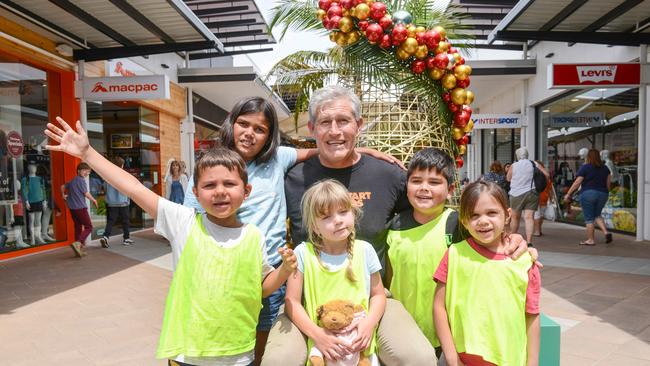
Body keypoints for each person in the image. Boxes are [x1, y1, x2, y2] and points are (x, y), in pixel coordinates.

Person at [265, 86, 531, 366]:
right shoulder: (291, 177)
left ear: (359, 125)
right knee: (277, 360)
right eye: (324, 122)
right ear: (312, 128)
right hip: (310, 301)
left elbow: (433, 213)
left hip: (374, 297)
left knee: (418, 357)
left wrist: (506, 239)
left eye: (343, 121)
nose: (334, 131)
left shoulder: (388, 175)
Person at [45, 118, 298, 365]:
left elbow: (262, 287)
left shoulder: (253, 236)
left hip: (238, 353)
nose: (220, 191)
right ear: (196, 193)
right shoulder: (184, 223)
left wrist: (285, 270)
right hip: (187, 353)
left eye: (229, 183)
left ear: (246, 191)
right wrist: (88, 153)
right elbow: (133, 187)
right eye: (210, 185)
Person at [182, 97, 397, 364]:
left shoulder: (277, 159)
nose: (249, 133)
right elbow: (193, 222)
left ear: (270, 136)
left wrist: (364, 152)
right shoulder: (208, 169)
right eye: (243, 124)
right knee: (225, 338)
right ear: (231, 123)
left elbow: (323, 149)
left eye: (260, 129)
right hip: (227, 270)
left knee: (262, 345)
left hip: (272, 271)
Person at [385, 148, 536, 357]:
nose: (424, 188)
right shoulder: (394, 225)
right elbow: (390, 276)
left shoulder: (458, 224)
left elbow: (494, 246)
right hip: (404, 334)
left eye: (434, 182)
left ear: (450, 189)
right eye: (417, 181)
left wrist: (521, 245)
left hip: (449, 338)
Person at [433, 181, 541, 366]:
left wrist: (532, 363)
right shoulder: (454, 254)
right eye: (474, 215)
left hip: (510, 358)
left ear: (507, 215)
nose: (483, 221)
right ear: (464, 221)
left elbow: (532, 314)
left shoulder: (524, 262)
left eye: (492, 213)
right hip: (463, 359)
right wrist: (451, 356)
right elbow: (438, 307)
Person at [285, 179, 386, 365]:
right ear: (314, 226)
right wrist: (318, 335)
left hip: (361, 348)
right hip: (323, 351)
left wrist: (368, 324)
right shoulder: (303, 253)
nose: (338, 220)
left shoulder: (365, 250)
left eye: (343, 212)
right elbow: (291, 301)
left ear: (353, 213)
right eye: (326, 217)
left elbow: (378, 295)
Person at [563, 149, 612, 246]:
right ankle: (606, 232)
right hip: (603, 194)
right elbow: (608, 185)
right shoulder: (605, 168)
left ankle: (590, 240)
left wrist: (568, 193)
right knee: (597, 214)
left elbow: (578, 182)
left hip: (588, 193)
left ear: (588, 157)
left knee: (589, 218)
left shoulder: (585, 167)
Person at [507, 147, 548, 245]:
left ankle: (513, 239)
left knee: (515, 217)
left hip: (516, 194)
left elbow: (508, 179)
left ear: (517, 155)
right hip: (532, 193)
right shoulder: (534, 163)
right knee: (529, 218)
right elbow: (546, 174)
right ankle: (529, 241)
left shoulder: (514, 165)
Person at [61, 162, 98, 257]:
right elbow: (86, 193)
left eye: (88, 172)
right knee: (89, 227)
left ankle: (78, 250)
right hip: (80, 208)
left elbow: (62, 186)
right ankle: (78, 243)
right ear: (79, 171)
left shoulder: (73, 180)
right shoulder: (81, 180)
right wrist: (94, 200)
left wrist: (63, 195)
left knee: (77, 227)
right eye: (85, 171)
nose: (86, 173)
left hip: (73, 209)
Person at [100, 156, 133, 247]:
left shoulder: (108, 176)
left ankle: (105, 237)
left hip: (111, 203)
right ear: (122, 165)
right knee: (125, 221)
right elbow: (128, 188)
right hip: (123, 202)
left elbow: (104, 188)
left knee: (111, 221)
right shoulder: (124, 175)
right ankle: (126, 239)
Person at [533, 161, 553, 237]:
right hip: (545, 197)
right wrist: (550, 198)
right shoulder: (546, 176)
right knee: (541, 215)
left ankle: (537, 231)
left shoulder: (535, 175)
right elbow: (550, 189)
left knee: (536, 215)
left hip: (536, 196)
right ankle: (539, 230)